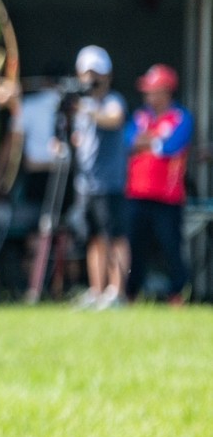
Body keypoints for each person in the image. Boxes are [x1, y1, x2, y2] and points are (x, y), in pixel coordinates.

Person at [125, 64, 193, 302]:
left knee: (171, 247)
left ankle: (178, 294)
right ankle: (131, 294)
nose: (148, 96)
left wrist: (148, 143)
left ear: (166, 91)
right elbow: (128, 142)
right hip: (136, 193)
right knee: (135, 248)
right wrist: (152, 142)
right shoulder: (140, 116)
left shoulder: (181, 117)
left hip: (168, 196)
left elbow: (171, 147)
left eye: (153, 90)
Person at [69, 45, 129, 309]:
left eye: (95, 73)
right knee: (93, 237)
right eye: (86, 73)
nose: (90, 79)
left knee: (114, 237)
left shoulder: (113, 101)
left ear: (107, 75)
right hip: (86, 184)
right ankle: (97, 290)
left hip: (109, 183)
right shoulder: (81, 107)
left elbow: (114, 119)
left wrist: (88, 108)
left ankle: (117, 292)